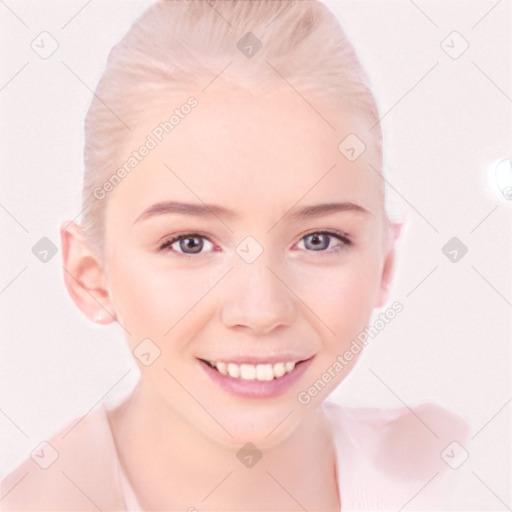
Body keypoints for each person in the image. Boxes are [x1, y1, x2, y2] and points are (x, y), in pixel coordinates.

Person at [0, 0, 468, 510]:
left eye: (319, 240)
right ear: (91, 276)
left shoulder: (449, 473)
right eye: (190, 243)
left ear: (383, 263)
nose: (261, 310)